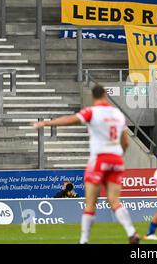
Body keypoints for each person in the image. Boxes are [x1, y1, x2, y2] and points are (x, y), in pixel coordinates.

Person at [33, 85, 139, 244]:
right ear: (105, 95)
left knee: (90, 202)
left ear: (93, 97)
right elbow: (125, 142)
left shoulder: (92, 111)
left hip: (99, 159)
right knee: (114, 200)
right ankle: (131, 232)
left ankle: (83, 240)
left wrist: (47, 123)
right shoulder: (118, 114)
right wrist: (118, 155)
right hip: (116, 159)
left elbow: (71, 120)